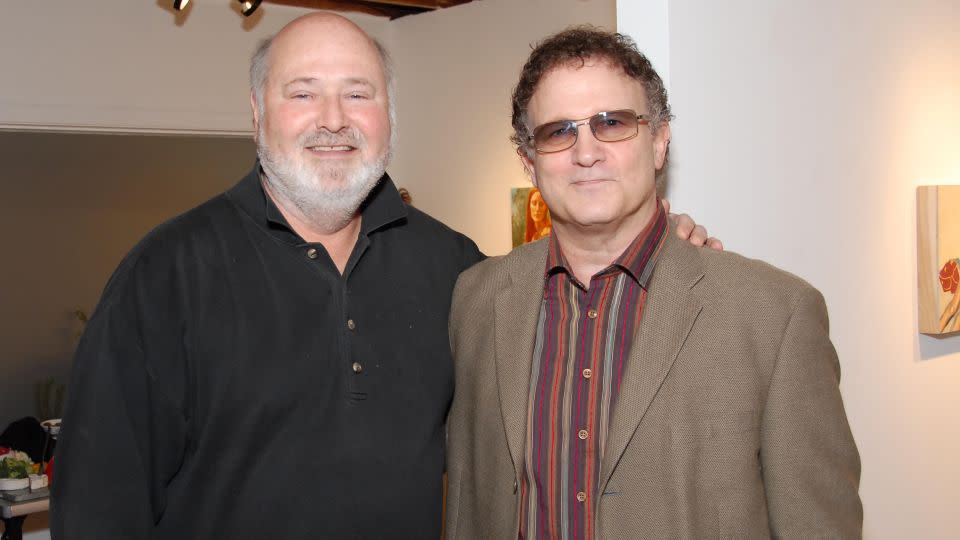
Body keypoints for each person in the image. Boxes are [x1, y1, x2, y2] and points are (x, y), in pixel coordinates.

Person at [51, 14, 715, 539]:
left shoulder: (456, 271)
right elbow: (97, 509)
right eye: (303, 93)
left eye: (358, 94)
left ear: (388, 117)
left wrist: (655, 244)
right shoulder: (165, 276)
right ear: (257, 114)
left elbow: (573, 333)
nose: (334, 119)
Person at [445, 27, 862, 539]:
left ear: (660, 141)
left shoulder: (773, 315)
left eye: (612, 123)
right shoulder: (477, 298)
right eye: (558, 132)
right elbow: (467, 503)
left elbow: (817, 526)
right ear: (529, 163)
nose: (586, 152)